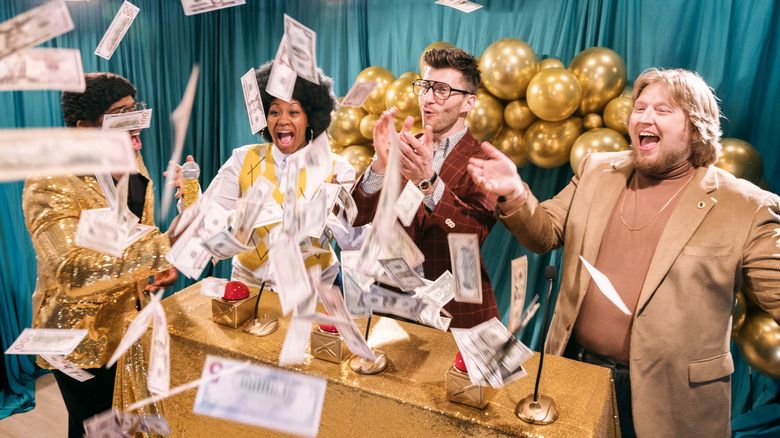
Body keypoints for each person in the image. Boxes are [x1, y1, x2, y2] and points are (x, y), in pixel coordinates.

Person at [468, 68, 780, 437]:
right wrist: (514, 193)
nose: (644, 117)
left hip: (673, 401)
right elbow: (545, 233)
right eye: (640, 107)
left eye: (663, 111)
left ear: (697, 127)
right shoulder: (597, 170)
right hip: (574, 372)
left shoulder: (747, 206)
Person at [22, 72, 176, 438]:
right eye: (121, 113)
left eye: (135, 108)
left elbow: (134, 235)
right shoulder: (50, 178)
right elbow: (71, 269)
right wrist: (163, 248)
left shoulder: (131, 162)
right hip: (78, 340)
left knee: (129, 424)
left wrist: (157, 266)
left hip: (130, 325)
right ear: (84, 128)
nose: (137, 119)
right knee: (96, 428)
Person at [176, 61, 365, 286]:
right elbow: (207, 224)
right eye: (274, 111)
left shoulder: (337, 168)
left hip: (314, 290)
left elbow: (356, 244)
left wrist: (338, 213)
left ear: (310, 118)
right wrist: (190, 194)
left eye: (293, 111)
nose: (282, 120)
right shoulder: (241, 159)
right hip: (250, 288)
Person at [352, 48, 499, 329]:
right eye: (425, 86)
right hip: (391, 305)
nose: (428, 98)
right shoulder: (402, 145)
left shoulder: (487, 161)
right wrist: (379, 166)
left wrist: (429, 183)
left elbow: (473, 232)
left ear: (468, 103)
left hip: (456, 312)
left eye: (442, 90)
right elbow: (355, 216)